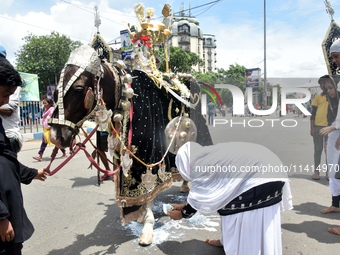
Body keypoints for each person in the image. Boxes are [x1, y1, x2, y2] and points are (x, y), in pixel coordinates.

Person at [168, 142, 292, 255]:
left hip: (260, 180)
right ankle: (228, 242)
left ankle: (242, 249)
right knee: (226, 195)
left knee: (227, 203)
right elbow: (201, 195)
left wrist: (182, 215)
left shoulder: (199, 166)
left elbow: (200, 197)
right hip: (275, 175)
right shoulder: (207, 155)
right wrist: (185, 205)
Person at [0, 57, 48, 254]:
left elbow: (5, 157)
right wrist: (1, 217)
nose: (5, 102)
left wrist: (31, 173)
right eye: (4, 95)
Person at [319, 76, 340, 216]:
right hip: (334, 140)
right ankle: (335, 204)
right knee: (333, 173)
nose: (329, 91)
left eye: (331, 88)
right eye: (327, 89)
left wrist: (333, 130)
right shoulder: (332, 102)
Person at [310, 75, 329, 180]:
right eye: (320, 84)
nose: (322, 86)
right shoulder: (317, 98)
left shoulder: (334, 97)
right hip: (317, 127)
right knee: (318, 150)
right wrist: (312, 128)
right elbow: (312, 115)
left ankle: (328, 171)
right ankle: (316, 171)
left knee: (329, 151)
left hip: (330, 128)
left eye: (323, 83)